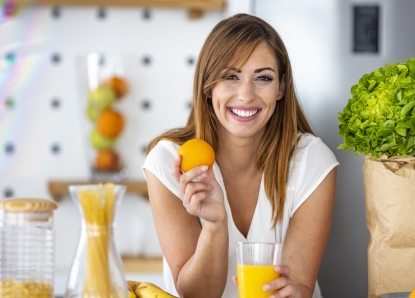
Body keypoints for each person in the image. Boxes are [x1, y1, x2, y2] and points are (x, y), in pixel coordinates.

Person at [142, 13, 338, 298]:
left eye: (263, 78)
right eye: (231, 76)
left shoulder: (312, 160)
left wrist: (293, 291)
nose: (246, 95)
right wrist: (214, 225)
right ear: (208, 86)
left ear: (281, 87)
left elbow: (299, 287)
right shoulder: (170, 161)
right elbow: (196, 294)